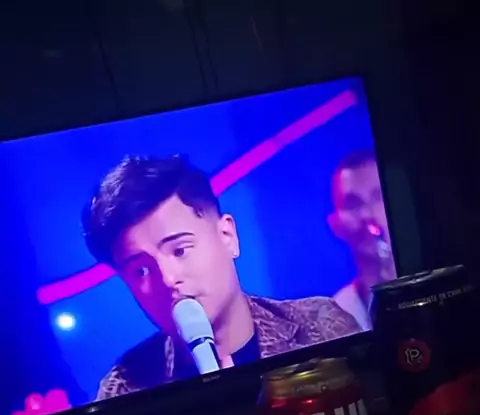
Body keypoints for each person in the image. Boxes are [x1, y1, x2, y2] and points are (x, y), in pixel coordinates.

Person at [82, 155, 361, 400]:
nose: (167, 279)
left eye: (180, 250)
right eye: (141, 271)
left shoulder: (320, 327)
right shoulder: (124, 388)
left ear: (228, 236)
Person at [328, 151, 397, 331]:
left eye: (377, 197)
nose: (367, 214)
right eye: (353, 203)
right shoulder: (334, 317)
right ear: (335, 224)